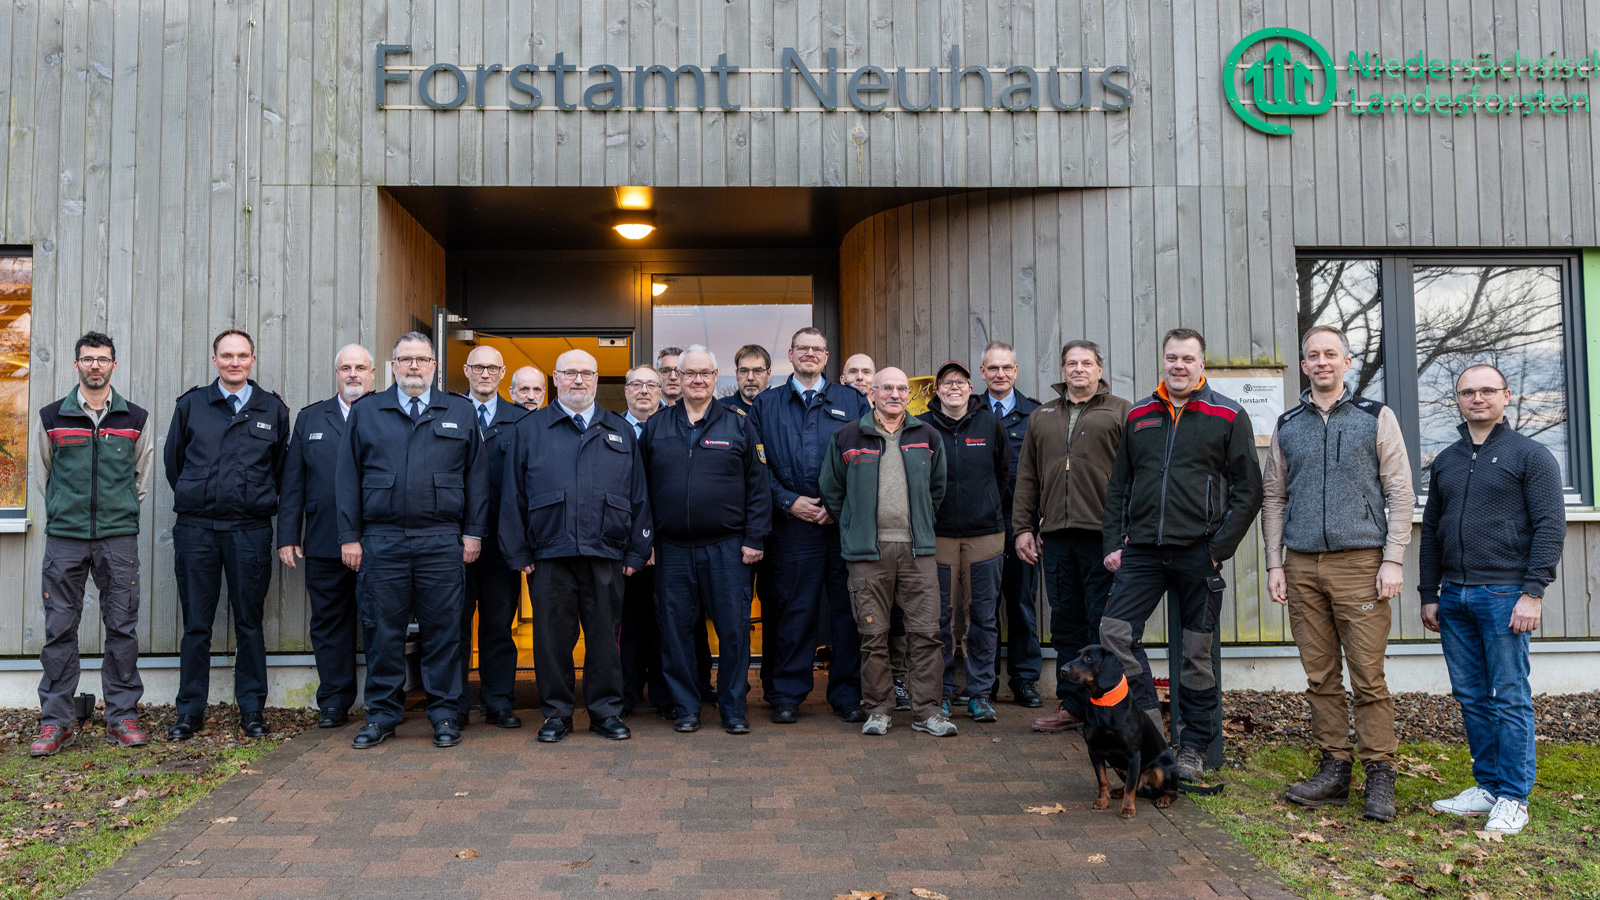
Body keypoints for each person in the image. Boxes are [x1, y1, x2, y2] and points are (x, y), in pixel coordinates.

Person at [1263, 325, 1414, 822]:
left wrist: (1393, 558)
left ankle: (1380, 772)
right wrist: (1275, 562)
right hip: (1302, 564)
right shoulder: (1288, 424)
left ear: (1347, 362)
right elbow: (1274, 497)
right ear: (1304, 365)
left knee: (1368, 675)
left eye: (1331, 354)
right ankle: (1334, 767)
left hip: (1361, 564)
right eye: (1313, 355)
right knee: (1320, 674)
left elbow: (1400, 491)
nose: (1322, 362)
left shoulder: (1375, 416)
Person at [1100, 328, 1262, 781]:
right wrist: (1113, 543)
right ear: (1163, 361)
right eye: (1172, 357)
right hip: (1143, 551)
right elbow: (1119, 486)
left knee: (1196, 653)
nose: (1179, 366)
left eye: (1188, 359)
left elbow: (1249, 490)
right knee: (1113, 633)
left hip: (1198, 552)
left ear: (1201, 364)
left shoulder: (1227, 414)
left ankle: (1192, 747)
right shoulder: (1139, 416)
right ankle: (1152, 736)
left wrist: (1218, 549)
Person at [1420, 364, 1564, 836]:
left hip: (1505, 595)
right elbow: (1432, 532)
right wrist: (1429, 593)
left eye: (1487, 390)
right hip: (1454, 596)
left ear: (1506, 396)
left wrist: (1533, 592)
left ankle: (1514, 797)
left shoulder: (1531, 455)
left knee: (1509, 696)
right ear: (1458, 400)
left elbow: (1550, 527)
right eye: (1468, 392)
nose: (1477, 398)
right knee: (1471, 696)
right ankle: (1487, 787)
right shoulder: (1446, 460)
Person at [336, 333, 489, 749]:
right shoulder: (367, 411)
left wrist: (472, 532)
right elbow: (347, 477)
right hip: (382, 540)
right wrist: (349, 537)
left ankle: (445, 713)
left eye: (422, 360)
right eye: (406, 360)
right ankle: (382, 715)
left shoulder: (459, 410)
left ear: (434, 366)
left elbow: (477, 476)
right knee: (382, 633)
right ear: (393, 366)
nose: (414, 367)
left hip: (441, 540)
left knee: (444, 631)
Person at [500, 349, 652, 743]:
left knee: (605, 639)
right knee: (551, 641)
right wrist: (518, 551)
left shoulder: (619, 429)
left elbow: (638, 496)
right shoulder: (530, 429)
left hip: (606, 552)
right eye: (570, 373)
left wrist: (637, 550)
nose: (579, 380)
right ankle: (557, 714)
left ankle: (605, 713)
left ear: (597, 379)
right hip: (550, 554)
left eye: (586, 373)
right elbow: (512, 495)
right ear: (556, 378)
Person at [29, 332, 156, 757]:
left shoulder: (135, 418)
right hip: (65, 539)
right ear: (77, 365)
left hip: (118, 539)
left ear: (113, 365)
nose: (95, 366)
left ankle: (122, 716)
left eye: (102, 359)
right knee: (60, 629)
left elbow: (140, 478)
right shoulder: (51, 417)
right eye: (88, 359)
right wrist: (65, 510)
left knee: (122, 627)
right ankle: (55, 721)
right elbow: (43, 476)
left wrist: (118, 511)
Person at [164, 330, 290, 741]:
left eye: (242, 355)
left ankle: (252, 710)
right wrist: (199, 496)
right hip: (197, 530)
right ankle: (189, 712)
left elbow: (280, 470)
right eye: (226, 355)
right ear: (214, 359)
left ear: (252, 359)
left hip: (249, 531)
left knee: (250, 622)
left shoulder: (272, 409)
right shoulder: (191, 406)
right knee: (196, 625)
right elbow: (174, 464)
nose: (234, 362)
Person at [641, 346, 772, 735]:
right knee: (675, 631)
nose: (697, 380)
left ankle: (733, 709)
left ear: (716, 378)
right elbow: (638, 490)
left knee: (733, 631)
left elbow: (758, 487)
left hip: (727, 548)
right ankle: (686, 707)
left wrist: (755, 537)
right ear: (677, 378)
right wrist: (644, 541)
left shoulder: (739, 425)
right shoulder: (656, 427)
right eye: (690, 373)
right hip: (671, 549)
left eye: (705, 373)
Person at [820, 367, 951, 737]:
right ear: (872, 393)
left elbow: (937, 489)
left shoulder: (928, 436)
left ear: (908, 395)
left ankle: (927, 712)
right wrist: (854, 525)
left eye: (901, 389)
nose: (895, 394)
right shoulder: (847, 436)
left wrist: (921, 522)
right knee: (872, 635)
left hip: (917, 551)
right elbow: (831, 489)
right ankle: (878, 710)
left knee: (926, 634)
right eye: (887, 388)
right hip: (867, 554)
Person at [749, 327, 871, 724]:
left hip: (841, 527)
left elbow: (867, 460)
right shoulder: (767, 404)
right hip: (792, 527)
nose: (810, 354)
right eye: (803, 348)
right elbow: (754, 468)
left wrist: (837, 506)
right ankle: (787, 694)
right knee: (794, 611)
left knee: (846, 614)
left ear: (826, 356)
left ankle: (847, 694)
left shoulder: (851, 400)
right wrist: (788, 501)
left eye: (817, 349)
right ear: (790, 354)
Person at [1012, 341, 1131, 734]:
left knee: (1102, 622)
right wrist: (1023, 527)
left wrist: (1127, 531)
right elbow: (1027, 477)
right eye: (1071, 363)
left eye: (1086, 363)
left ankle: (1107, 709)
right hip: (1056, 536)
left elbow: (1136, 475)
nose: (1079, 369)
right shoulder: (1041, 416)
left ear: (1099, 369)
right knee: (1065, 622)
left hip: (1104, 536)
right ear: (1063, 370)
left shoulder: (1121, 411)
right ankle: (1072, 706)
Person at [276, 344, 376, 729]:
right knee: (330, 623)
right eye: (345, 368)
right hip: (323, 540)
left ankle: (384, 700)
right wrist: (288, 535)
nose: (353, 374)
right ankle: (334, 701)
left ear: (372, 374)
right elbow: (293, 482)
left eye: (360, 367)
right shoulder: (311, 418)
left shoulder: (386, 412)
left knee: (380, 622)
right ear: (337, 374)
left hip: (378, 540)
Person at [921, 360, 1009, 721]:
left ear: (971, 388)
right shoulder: (922, 426)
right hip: (937, 535)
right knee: (939, 618)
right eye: (947, 383)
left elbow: (1002, 473)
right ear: (937, 390)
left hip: (985, 535)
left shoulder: (989, 423)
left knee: (982, 617)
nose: (953, 388)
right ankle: (941, 692)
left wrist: (985, 507)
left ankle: (980, 693)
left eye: (960, 382)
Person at [456, 345, 528, 728]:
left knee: (498, 625)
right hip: (453, 542)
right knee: (454, 625)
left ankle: (498, 702)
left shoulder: (521, 420)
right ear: (467, 370)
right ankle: (454, 704)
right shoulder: (448, 413)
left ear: (503, 373)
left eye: (492, 368)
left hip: (501, 544)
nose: (485, 374)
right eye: (479, 367)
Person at [979, 340, 1043, 708]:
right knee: (982, 607)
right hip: (980, 526)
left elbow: (1044, 474)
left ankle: (1024, 680)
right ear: (983, 372)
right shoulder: (969, 411)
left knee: (1021, 604)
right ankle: (984, 682)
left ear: (1015, 371)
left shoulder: (1035, 414)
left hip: (1021, 527)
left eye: (1006, 367)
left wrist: (1036, 527)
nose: (1000, 374)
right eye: (993, 368)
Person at [618, 364, 671, 717]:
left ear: (661, 391)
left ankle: (665, 697)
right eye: (636, 384)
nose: (643, 391)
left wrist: (652, 540)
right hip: (621, 545)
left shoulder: (673, 428)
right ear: (626, 390)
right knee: (625, 623)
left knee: (664, 623)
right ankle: (626, 694)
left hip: (667, 546)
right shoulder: (610, 429)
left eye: (651, 385)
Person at [725, 344, 772, 415]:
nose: (750, 378)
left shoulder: (781, 408)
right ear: (737, 374)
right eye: (744, 371)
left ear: (768, 374)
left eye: (757, 371)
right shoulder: (720, 410)